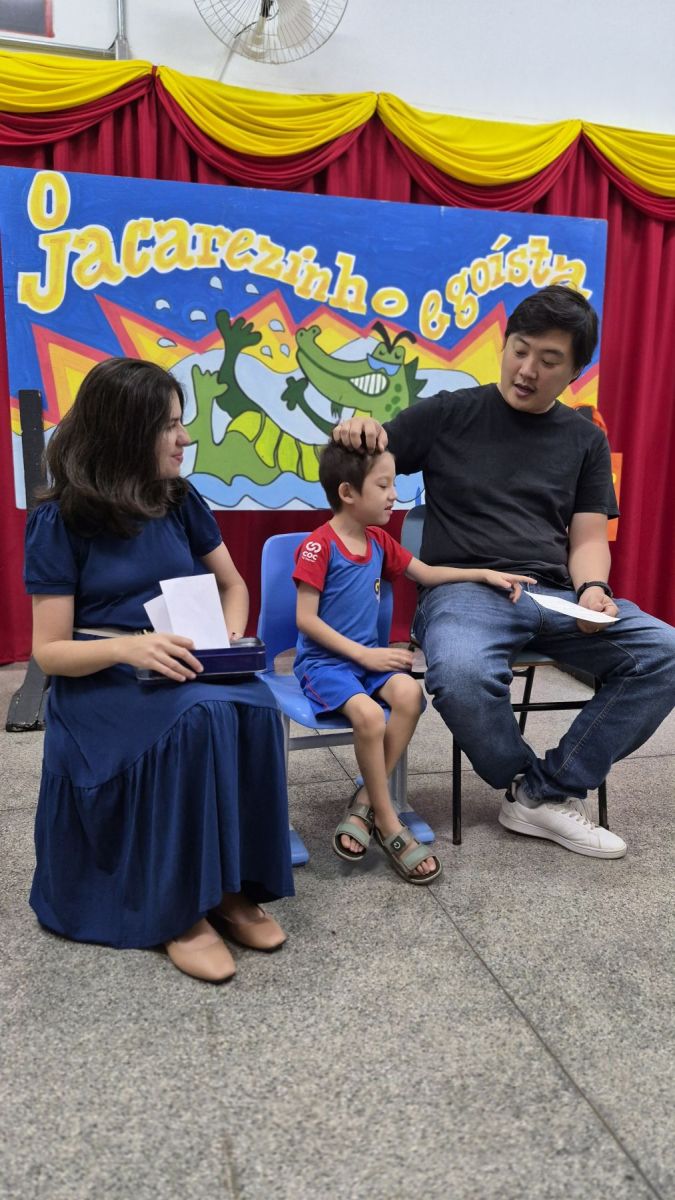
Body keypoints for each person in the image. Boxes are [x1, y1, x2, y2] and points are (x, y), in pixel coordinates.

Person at [333, 284, 675, 859]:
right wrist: (358, 432)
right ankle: (525, 785)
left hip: (554, 595)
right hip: (464, 589)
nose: (527, 370)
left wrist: (593, 588)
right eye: (520, 350)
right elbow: (367, 460)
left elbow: (589, 538)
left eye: (549, 360)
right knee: (462, 672)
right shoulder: (449, 413)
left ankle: (544, 791)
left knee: (663, 652)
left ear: (574, 372)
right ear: (505, 343)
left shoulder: (585, 439)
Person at [24, 357, 294, 983]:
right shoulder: (61, 520)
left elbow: (232, 585)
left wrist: (228, 638)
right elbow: (50, 653)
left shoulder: (178, 499)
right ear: (126, 432)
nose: (185, 438)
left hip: (181, 660)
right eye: (170, 425)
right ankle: (178, 910)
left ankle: (229, 885)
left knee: (255, 704)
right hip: (102, 679)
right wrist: (130, 649)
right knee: (197, 717)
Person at [292, 440, 534, 884]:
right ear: (348, 492)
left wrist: (482, 574)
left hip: (369, 663)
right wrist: (364, 654)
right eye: (383, 485)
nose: (394, 495)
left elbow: (427, 573)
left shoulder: (379, 541)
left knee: (409, 694)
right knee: (369, 716)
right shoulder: (317, 546)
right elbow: (305, 620)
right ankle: (387, 820)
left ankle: (366, 801)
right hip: (326, 665)